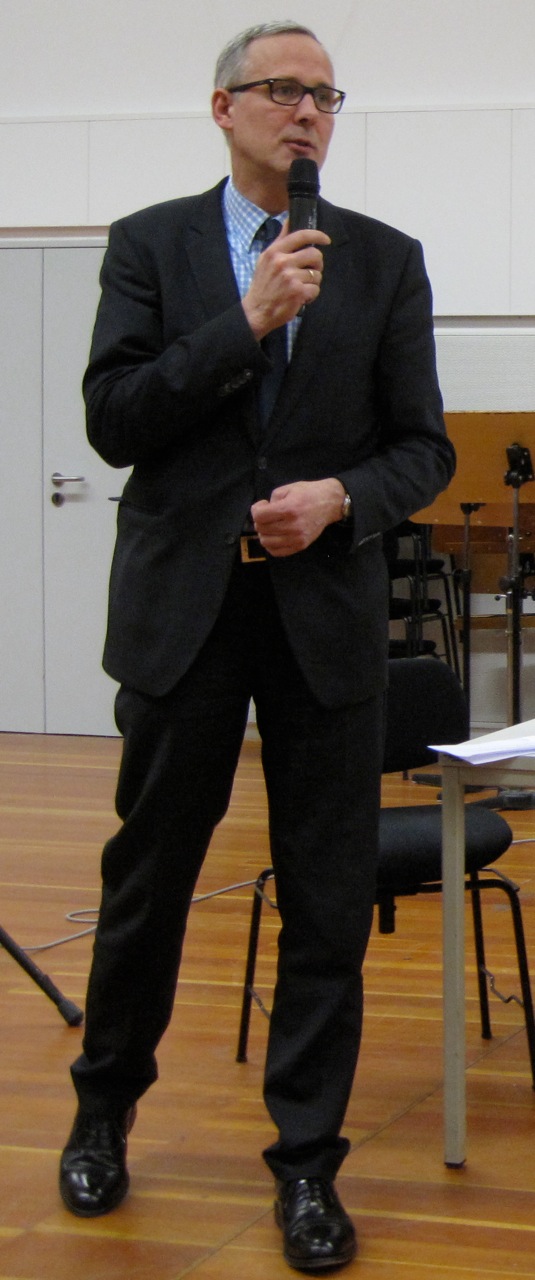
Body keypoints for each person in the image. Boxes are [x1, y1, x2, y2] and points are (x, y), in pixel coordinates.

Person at [59, 19, 455, 1272]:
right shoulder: (149, 246)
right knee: (148, 881)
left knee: (326, 898)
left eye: (325, 95)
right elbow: (115, 418)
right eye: (282, 90)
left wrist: (342, 499)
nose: (306, 112)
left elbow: (422, 448)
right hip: (184, 614)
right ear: (222, 107)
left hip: (319, 617)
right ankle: (103, 1109)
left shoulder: (386, 261)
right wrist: (244, 319)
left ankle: (307, 1164)